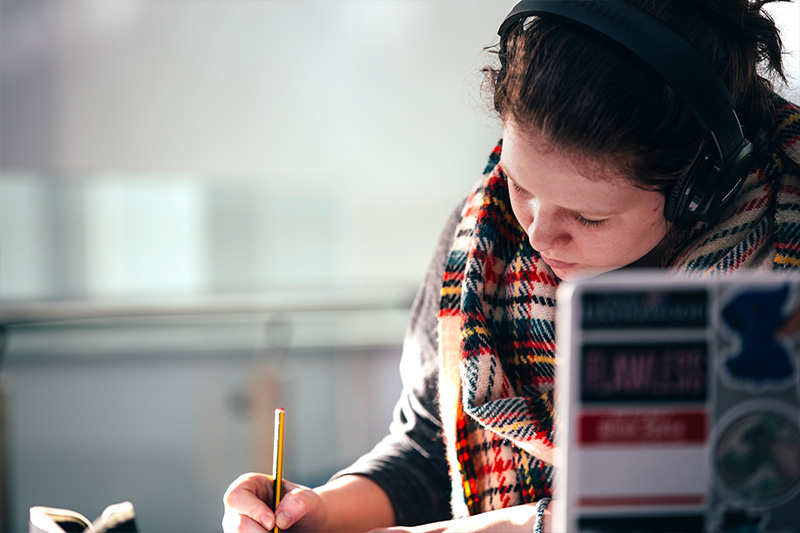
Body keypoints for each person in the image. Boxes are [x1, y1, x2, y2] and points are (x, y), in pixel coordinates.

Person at [223, 0, 800, 531]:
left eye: (586, 218)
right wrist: (318, 510)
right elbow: (430, 449)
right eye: (520, 184)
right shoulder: (482, 240)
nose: (537, 233)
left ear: (699, 191)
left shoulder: (783, 256)